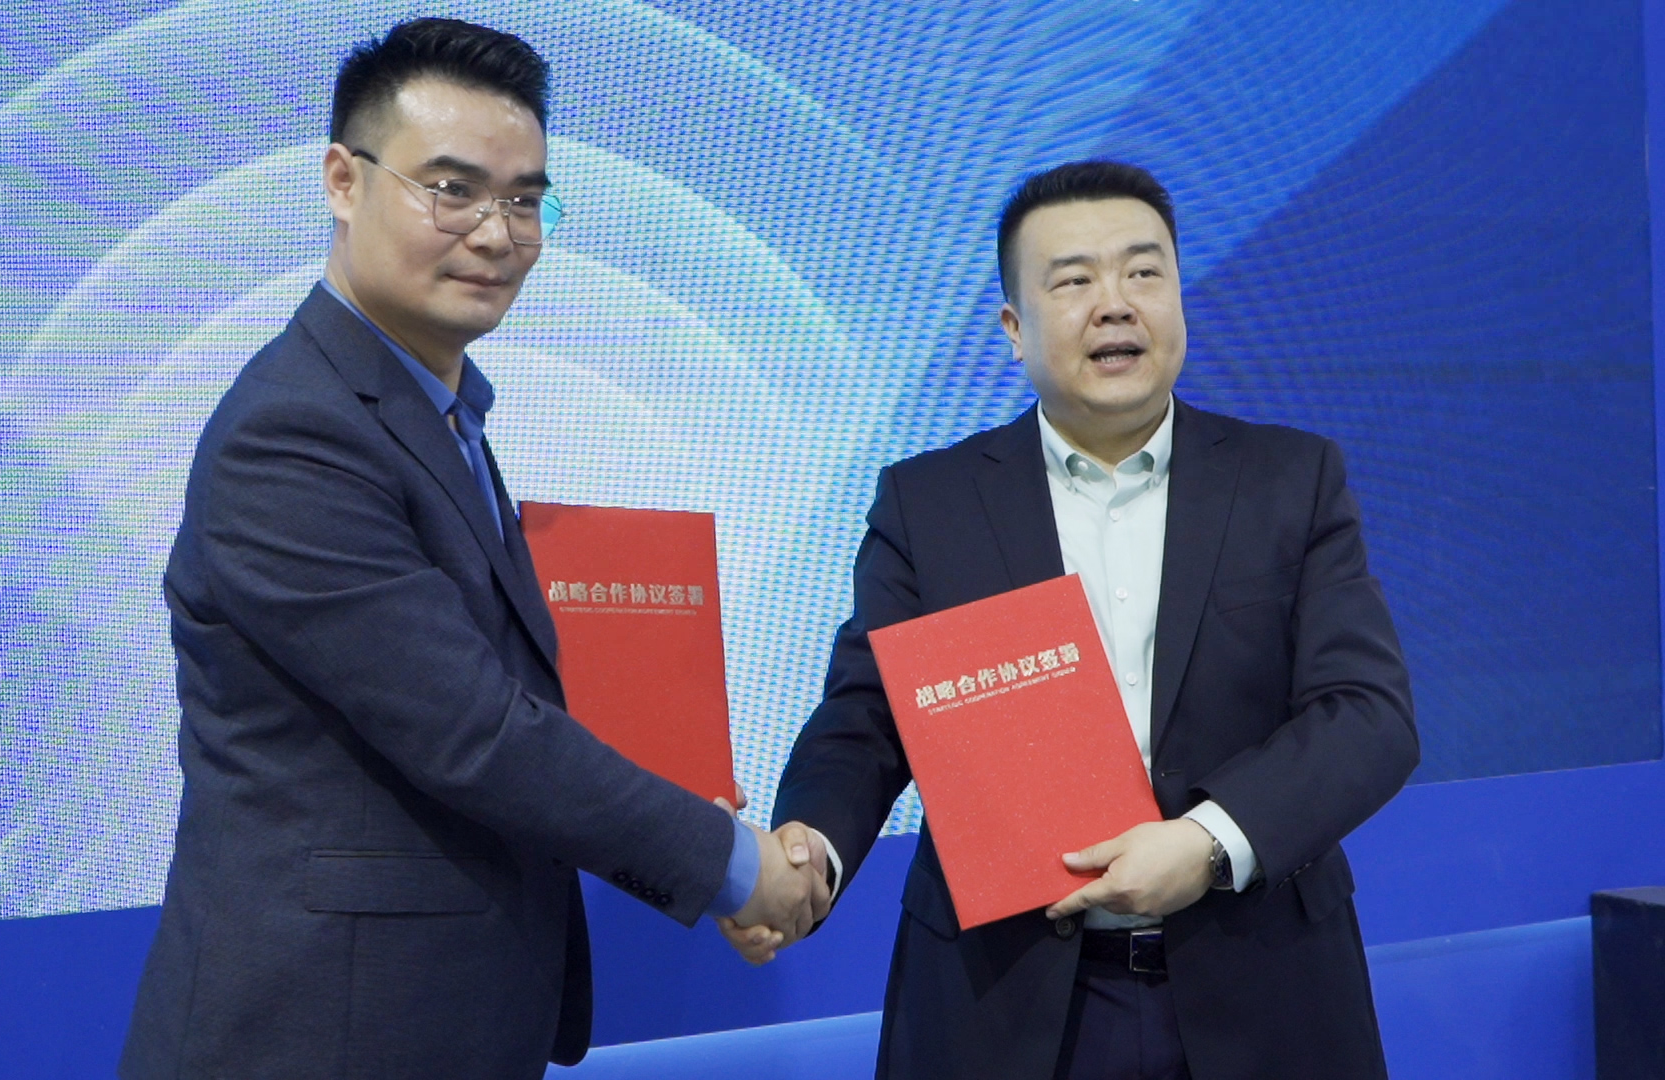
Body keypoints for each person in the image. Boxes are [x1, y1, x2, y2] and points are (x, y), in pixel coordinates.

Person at [119, 19, 828, 1079]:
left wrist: (699, 824)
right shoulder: (295, 432)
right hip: (321, 1034)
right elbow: (477, 733)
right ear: (343, 181)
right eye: (452, 190)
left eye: (526, 200)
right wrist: (733, 865)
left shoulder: (436, 411)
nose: (497, 234)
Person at [737, 161, 1418, 1079]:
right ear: (1014, 329)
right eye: (1073, 281)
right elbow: (866, 720)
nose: (1115, 304)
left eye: (1143, 272)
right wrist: (807, 852)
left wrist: (1207, 843)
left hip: (1261, 988)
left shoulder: (1291, 481)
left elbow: (1367, 715)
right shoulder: (930, 504)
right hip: (1005, 999)